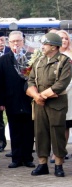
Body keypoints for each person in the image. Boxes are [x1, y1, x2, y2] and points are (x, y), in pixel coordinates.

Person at [27, 32, 71, 177]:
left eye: (45, 44)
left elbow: (61, 84)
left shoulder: (65, 61)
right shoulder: (39, 61)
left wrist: (42, 96)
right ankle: (42, 163)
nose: (43, 47)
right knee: (40, 133)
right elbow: (31, 80)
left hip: (56, 104)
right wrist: (35, 95)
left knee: (57, 133)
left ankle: (58, 164)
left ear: (53, 46)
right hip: (40, 105)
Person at [0, 31, 35, 169]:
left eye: (18, 41)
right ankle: (16, 158)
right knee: (15, 129)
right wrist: (0, 102)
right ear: (8, 43)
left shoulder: (31, 58)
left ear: (23, 41)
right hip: (11, 100)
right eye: (12, 42)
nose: (15, 44)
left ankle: (28, 157)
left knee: (29, 130)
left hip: (28, 100)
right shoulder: (3, 60)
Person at [52, 30, 72, 163]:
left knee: (69, 122)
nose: (64, 40)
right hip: (59, 92)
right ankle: (58, 152)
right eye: (61, 38)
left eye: (66, 38)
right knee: (60, 124)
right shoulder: (53, 56)